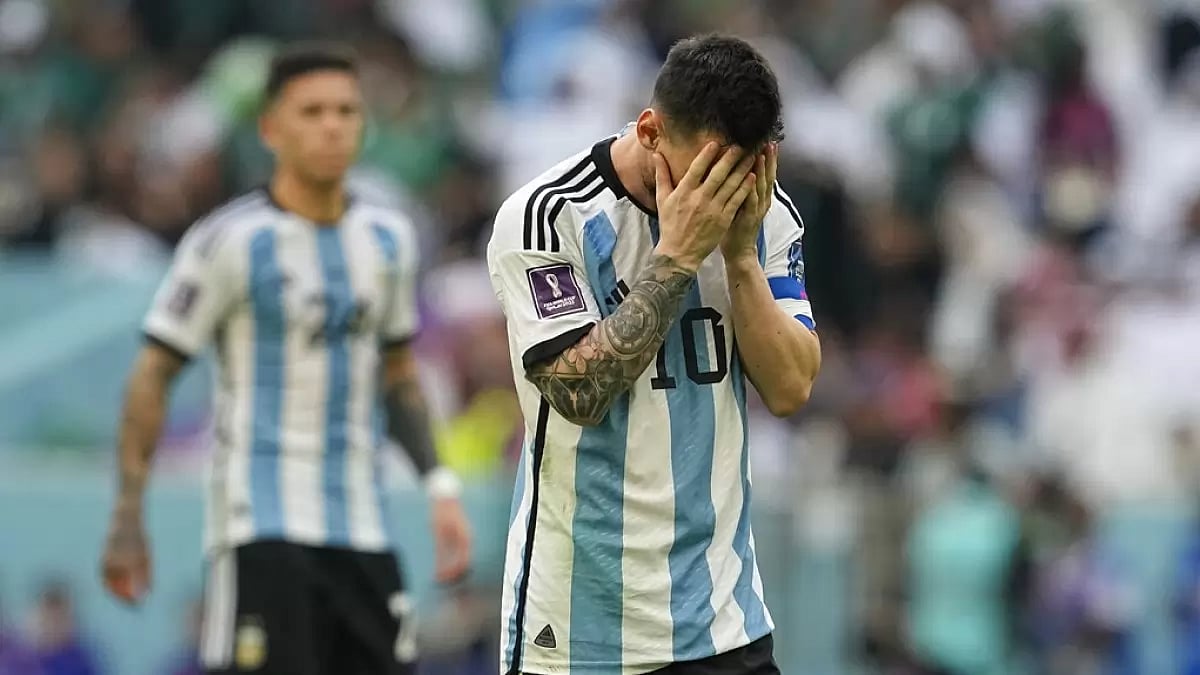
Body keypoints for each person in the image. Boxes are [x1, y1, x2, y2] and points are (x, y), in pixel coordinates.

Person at [98, 44, 472, 675]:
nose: (332, 126)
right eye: (312, 111)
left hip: (365, 524)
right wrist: (128, 514)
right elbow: (152, 375)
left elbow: (399, 377)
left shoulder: (389, 240)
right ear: (271, 129)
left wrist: (439, 488)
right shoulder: (229, 241)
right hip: (261, 524)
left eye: (346, 111)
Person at [487, 34, 822, 675]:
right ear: (650, 132)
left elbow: (791, 388)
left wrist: (742, 257)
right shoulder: (547, 216)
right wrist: (676, 258)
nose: (725, 191)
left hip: (724, 624)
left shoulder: (765, 213)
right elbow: (577, 394)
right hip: (576, 635)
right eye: (708, 170)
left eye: (746, 168)